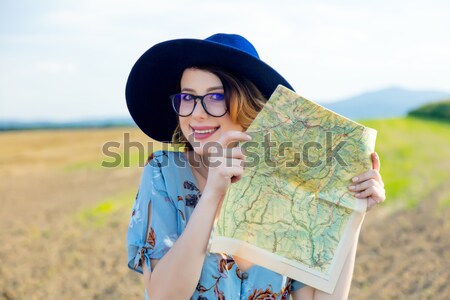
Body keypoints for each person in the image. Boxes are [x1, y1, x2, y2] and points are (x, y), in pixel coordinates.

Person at [125, 33, 386, 300]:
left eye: (215, 97)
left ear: (250, 105)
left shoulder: (287, 183)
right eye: (188, 97)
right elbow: (164, 296)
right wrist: (214, 194)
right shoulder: (163, 173)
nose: (196, 113)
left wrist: (352, 214)